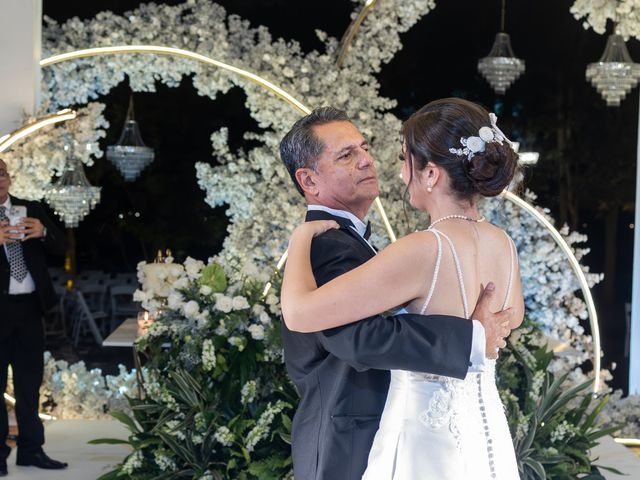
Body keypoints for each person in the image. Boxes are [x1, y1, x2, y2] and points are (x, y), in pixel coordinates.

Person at [282, 99, 524, 479]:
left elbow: (301, 312)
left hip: (422, 437)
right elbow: (507, 322)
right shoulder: (504, 245)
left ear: (431, 174)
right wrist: (472, 337)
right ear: (308, 180)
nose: (371, 162)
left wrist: (297, 241)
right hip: (483, 430)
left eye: (367, 149)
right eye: (348, 154)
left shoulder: (423, 248)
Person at [0, 157, 68, 476]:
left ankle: (31, 451)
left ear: (10, 178)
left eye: (1, 173)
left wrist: (42, 233)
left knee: (29, 385)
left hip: (29, 309)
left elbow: (61, 249)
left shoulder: (32, 209)